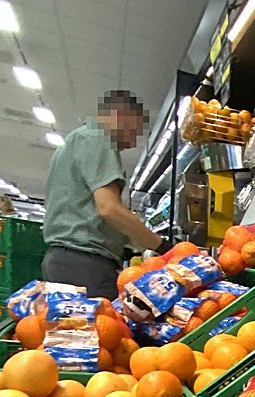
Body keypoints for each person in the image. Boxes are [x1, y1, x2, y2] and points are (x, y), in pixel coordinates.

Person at [42, 89, 171, 299]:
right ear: (121, 115)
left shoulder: (74, 141)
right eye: (136, 130)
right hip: (85, 264)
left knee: (71, 320)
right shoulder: (98, 138)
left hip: (65, 260)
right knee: (98, 320)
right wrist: (163, 246)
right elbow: (109, 209)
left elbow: (86, 209)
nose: (134, 141)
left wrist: (123, 244)